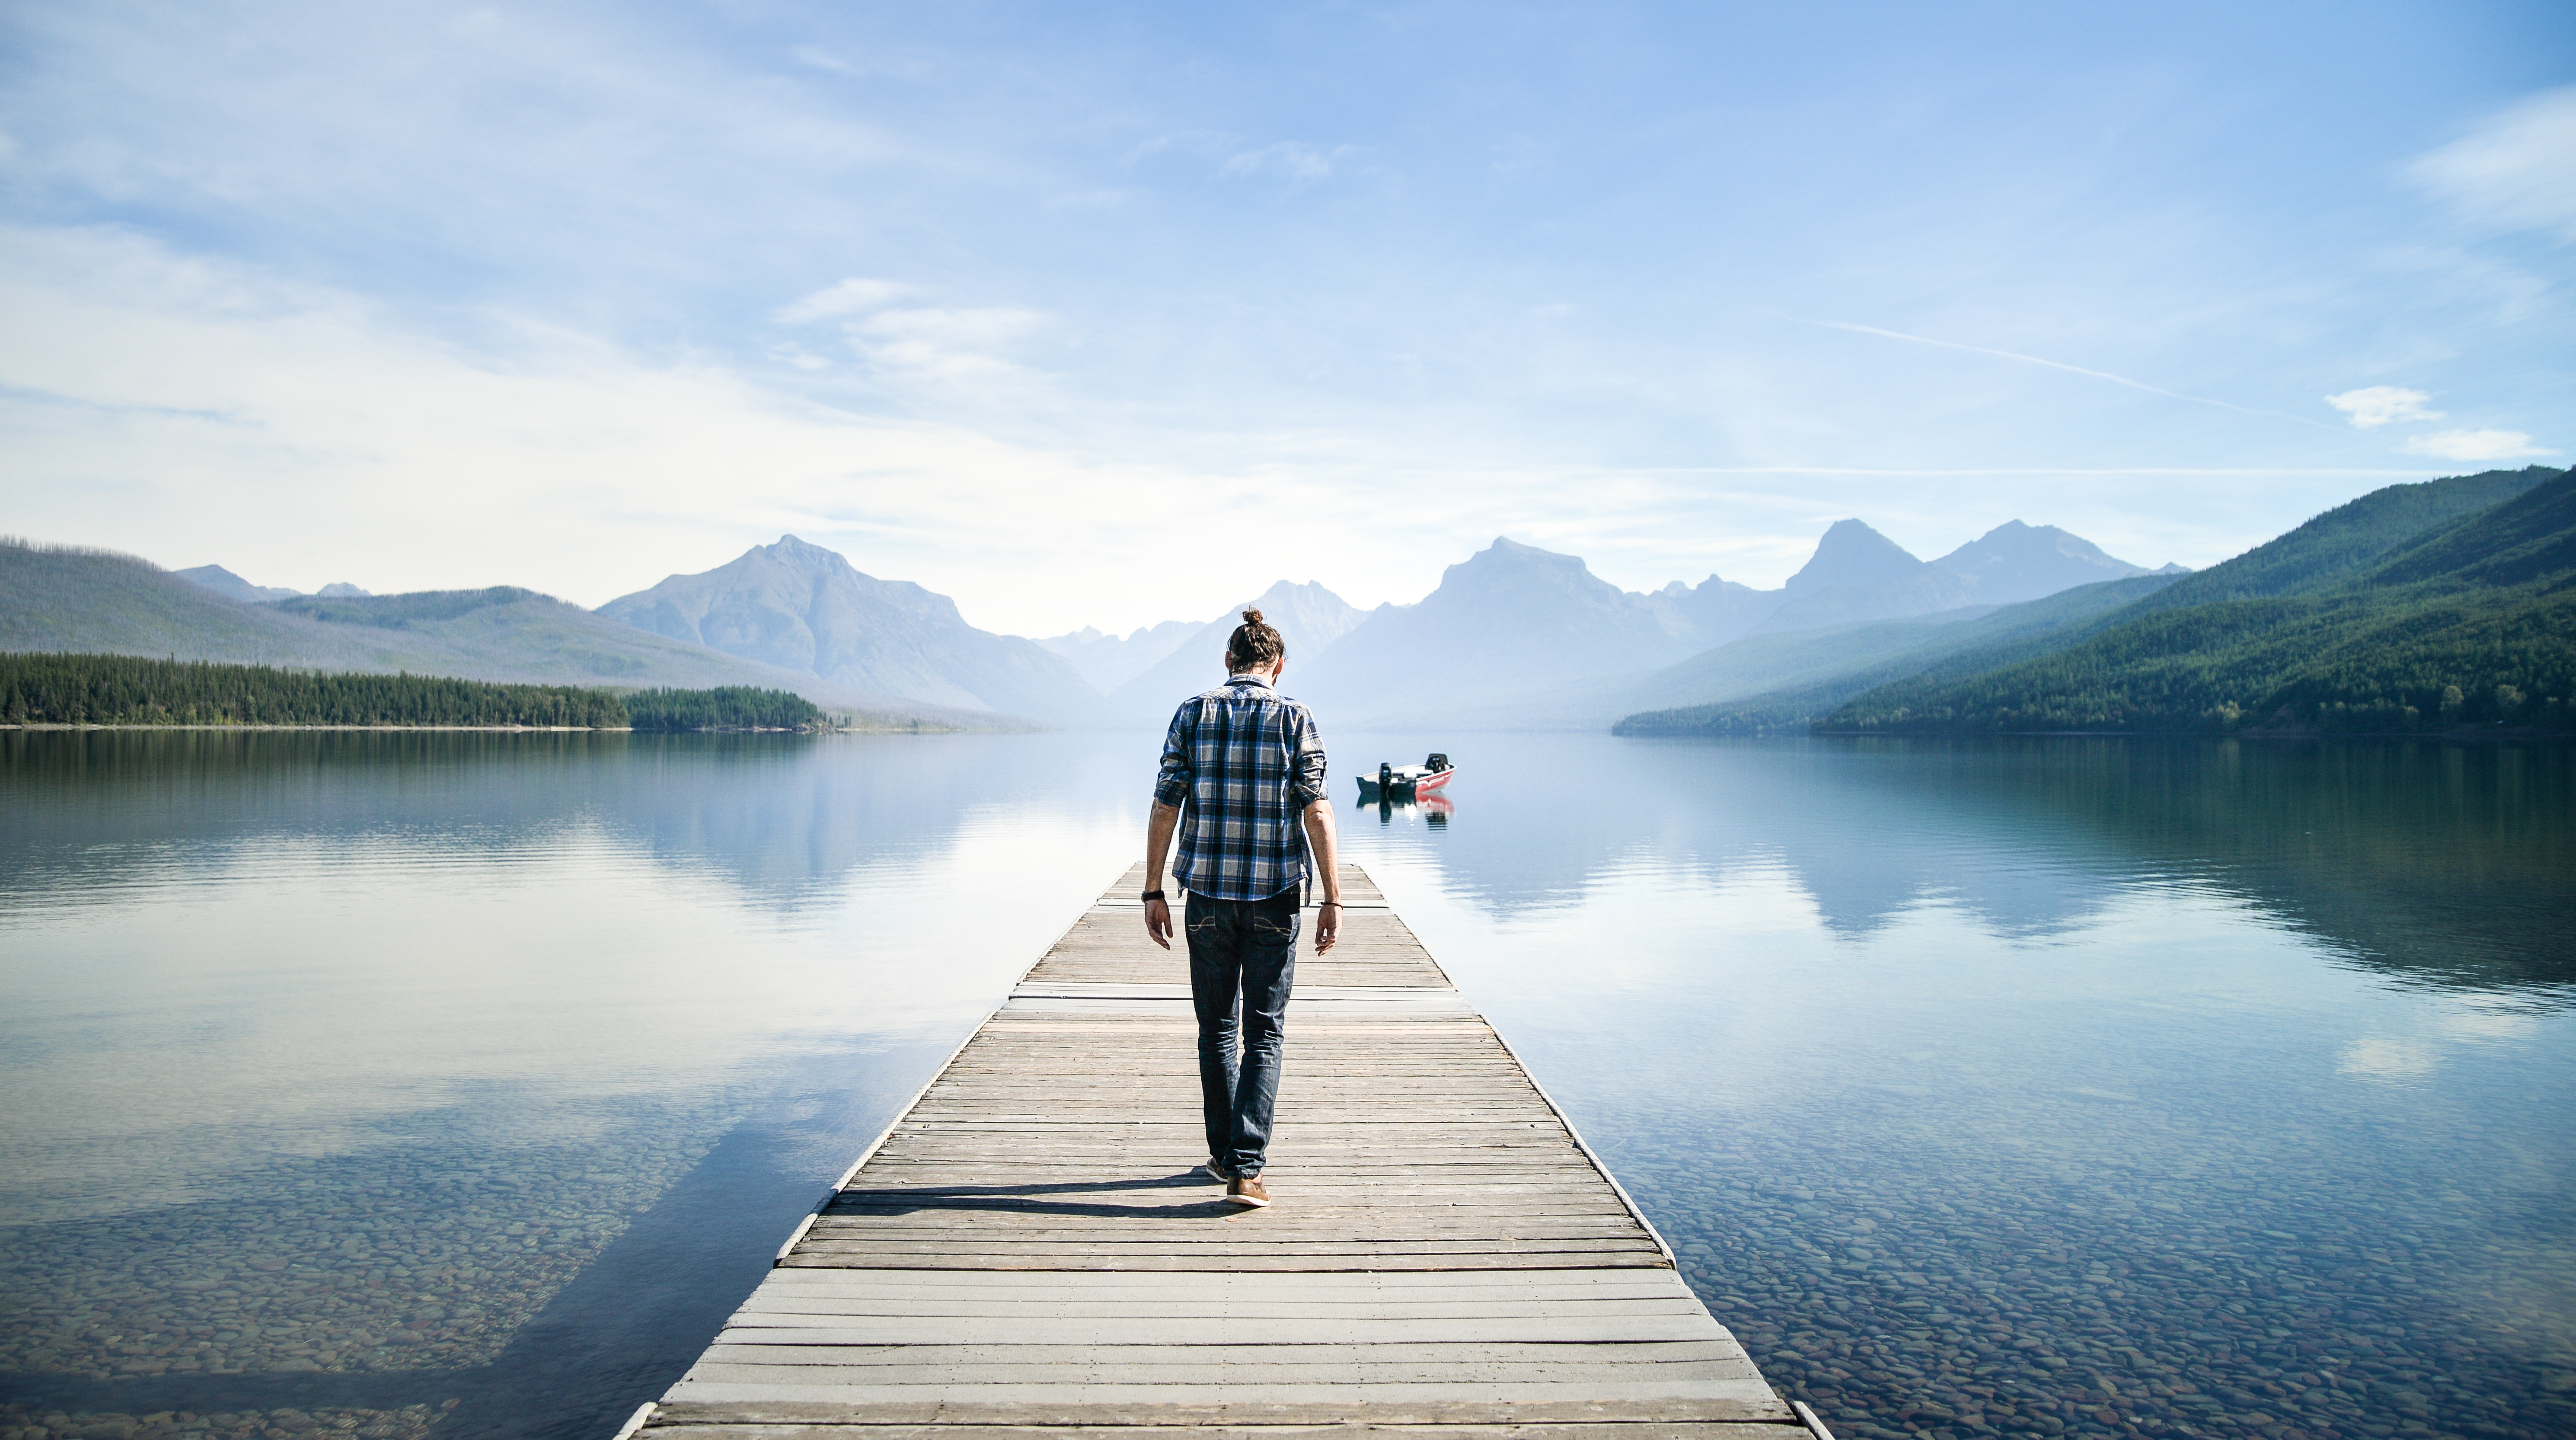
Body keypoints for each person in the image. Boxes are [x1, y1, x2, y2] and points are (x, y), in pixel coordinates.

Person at [1142, 608, 1341, 1208]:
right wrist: (1334, 895)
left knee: (1217, 1030)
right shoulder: (1295, 717)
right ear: (1278, 665)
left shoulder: (1192, 712)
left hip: (1205, 894)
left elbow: (1164, 805)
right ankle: (1247, 1169)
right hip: (1275, 896)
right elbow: (1317, 811)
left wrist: (1153, 887)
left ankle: (1226, 1154)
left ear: (1228, 661)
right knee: (1265, 1031)